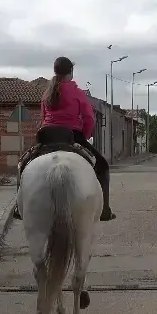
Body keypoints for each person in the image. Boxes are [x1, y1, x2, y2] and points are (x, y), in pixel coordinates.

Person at [39, 56, 115, 221]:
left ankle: (18, 206)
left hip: (46, 136)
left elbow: (44, 117)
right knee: (102, 167)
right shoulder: (77, 93)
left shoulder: (46, 93)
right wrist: (85, 137)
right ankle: (104, 210)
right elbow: (89, 118)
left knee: (23, 164)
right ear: (71, 73)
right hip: (72, 136)